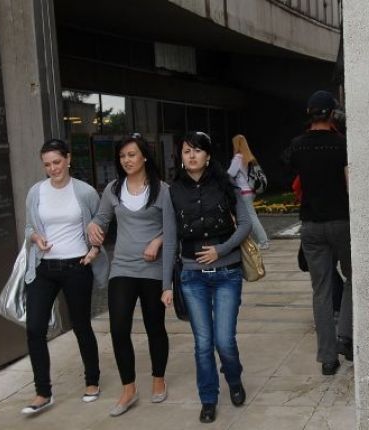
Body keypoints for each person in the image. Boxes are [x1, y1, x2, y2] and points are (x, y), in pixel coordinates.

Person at [87, 135, 176, 417]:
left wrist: (158, 240)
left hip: (152, 269)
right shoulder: (113, 190)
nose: (127, 160)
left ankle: (158, 378)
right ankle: (128, 388)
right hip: (122, 267)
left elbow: (175, 229)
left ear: (144, 157)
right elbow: (102, 219)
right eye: (123, 156)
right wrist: (93, 226)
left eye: (132, 155)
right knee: (119, 327)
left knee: (154, 326)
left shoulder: (163, 191)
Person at [21, 138, 109, 415]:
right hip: (44, 269)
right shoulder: (36, 192)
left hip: (76, 266)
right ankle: (42, 392)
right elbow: (28, 227)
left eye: (57, 162)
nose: (52, 169)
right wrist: (35, 236)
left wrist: (94, 250)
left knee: (81, 325)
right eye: (47, 164)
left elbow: (101, 224)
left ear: (68, 159)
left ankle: (92, 380)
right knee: (34, 328)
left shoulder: (84, 192)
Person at [170, 131, 251, 424]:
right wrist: (168, 284)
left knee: (224, 340)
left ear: (207, 156)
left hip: (227, 271)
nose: (191, 156)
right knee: (203, 343)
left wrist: (221, 250)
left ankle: (234, 377)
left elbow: (245, 225)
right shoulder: (173, 190)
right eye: (186, 151)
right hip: (192, 277)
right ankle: (208, 398)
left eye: (197, 151)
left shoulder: (226, 185)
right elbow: (170, 239)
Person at [286, 90, 352, 375]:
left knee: (321, 291)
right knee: (354, 278)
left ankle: (327, 358)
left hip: (310, 226)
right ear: (332, 113)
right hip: (341, 222)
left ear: (310, 114)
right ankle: (346, 337)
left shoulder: (297, 146)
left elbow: (286, 165)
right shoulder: (342, 144)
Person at [227, 134, 270, 250]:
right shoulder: (250, 158)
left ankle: (264, 241)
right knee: (248, 217)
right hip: (251, 191)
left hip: (243, 193)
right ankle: (251, 240)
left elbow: (230, 174)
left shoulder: (238, 158)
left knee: (251, 217)